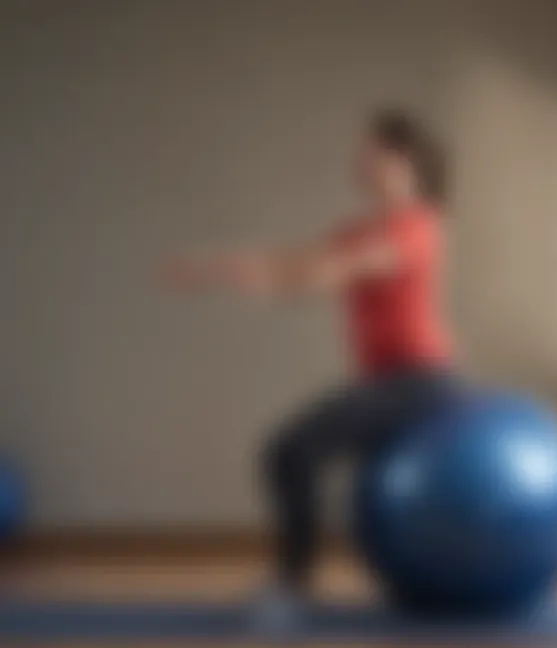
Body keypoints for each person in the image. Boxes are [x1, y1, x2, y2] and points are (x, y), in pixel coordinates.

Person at [165, 110, 458, 622]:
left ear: (404, 161)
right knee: (293, 452)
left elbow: (348, 269)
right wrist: (220, 269)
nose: (362, 162)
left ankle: (293, 585)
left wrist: (294, 281)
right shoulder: (356, 230)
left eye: (373, 153)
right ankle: (305, 578)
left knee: (289, 449)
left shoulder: (418, 223)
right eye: (362, 153)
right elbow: (294, 263)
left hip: (422, 384)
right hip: (387, 382)